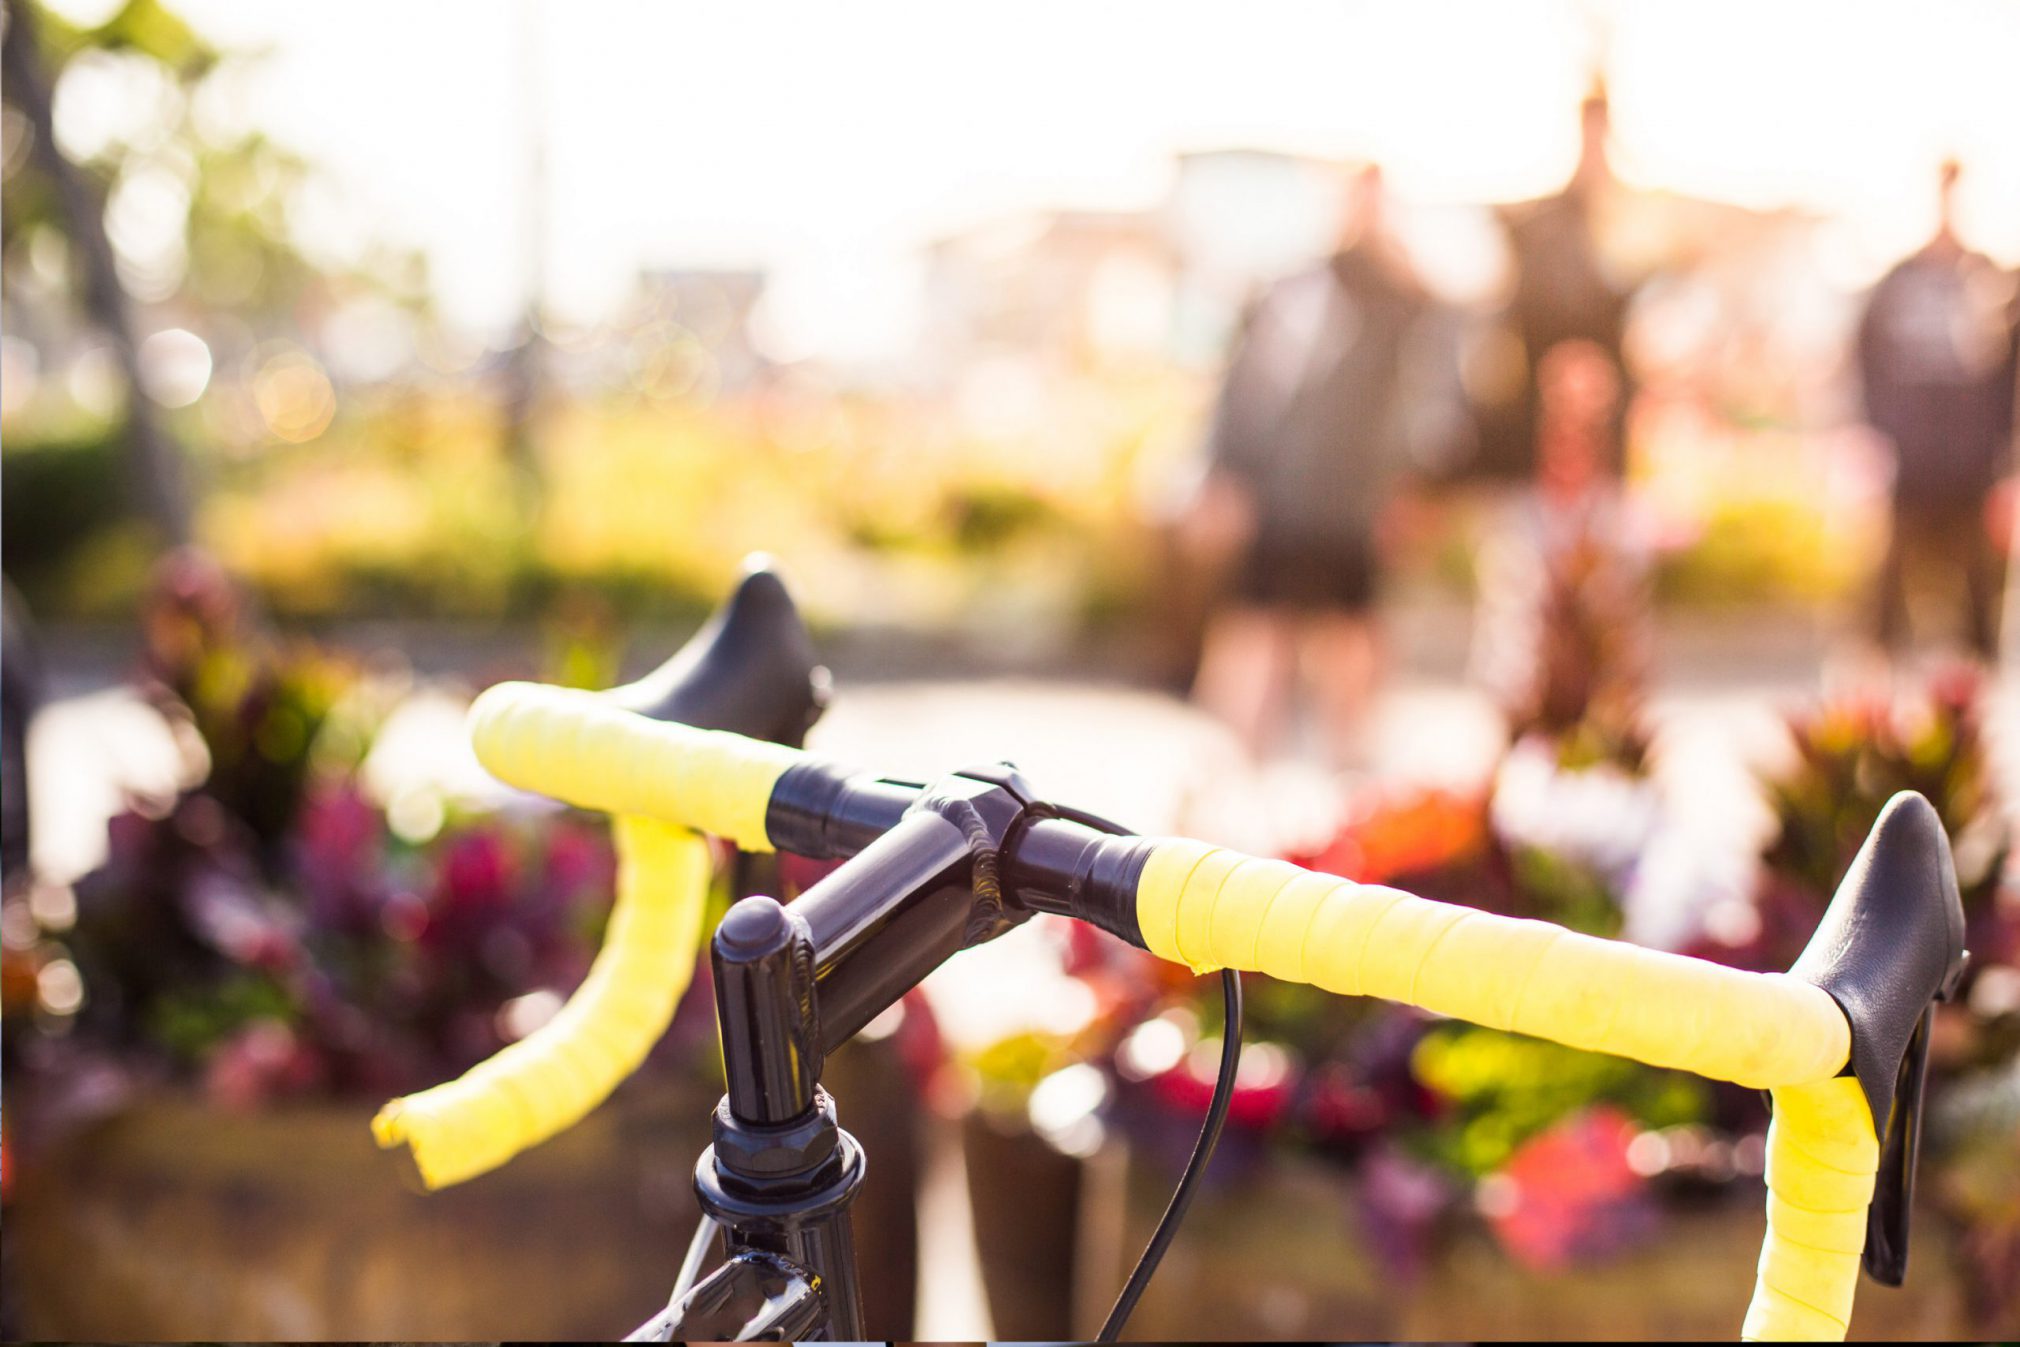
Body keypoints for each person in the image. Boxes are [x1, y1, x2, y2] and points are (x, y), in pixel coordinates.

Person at [1188, 164, 1431, 769]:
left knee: (1351, 636)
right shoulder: (1292, 285)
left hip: (1353, 500)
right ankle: (1229, 771)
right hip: (1281, 494)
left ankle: (1349, 775)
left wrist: (1410, 486)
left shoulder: (1406, 299)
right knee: (1257, 630)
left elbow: (1421, 403)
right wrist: (1223, 472)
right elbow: (1246, 386)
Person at [1856, 159, 2020, 661]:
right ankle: (1877, 669)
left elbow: (2009, 372)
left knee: (1977, 580)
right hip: (1910, 454)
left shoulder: (1990, 280)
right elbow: (1866, 359)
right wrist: (1876, 433)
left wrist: (2003, 446)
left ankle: (1978, 678)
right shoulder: (1896, 282)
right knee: (1891, 576)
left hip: (1972, 459)